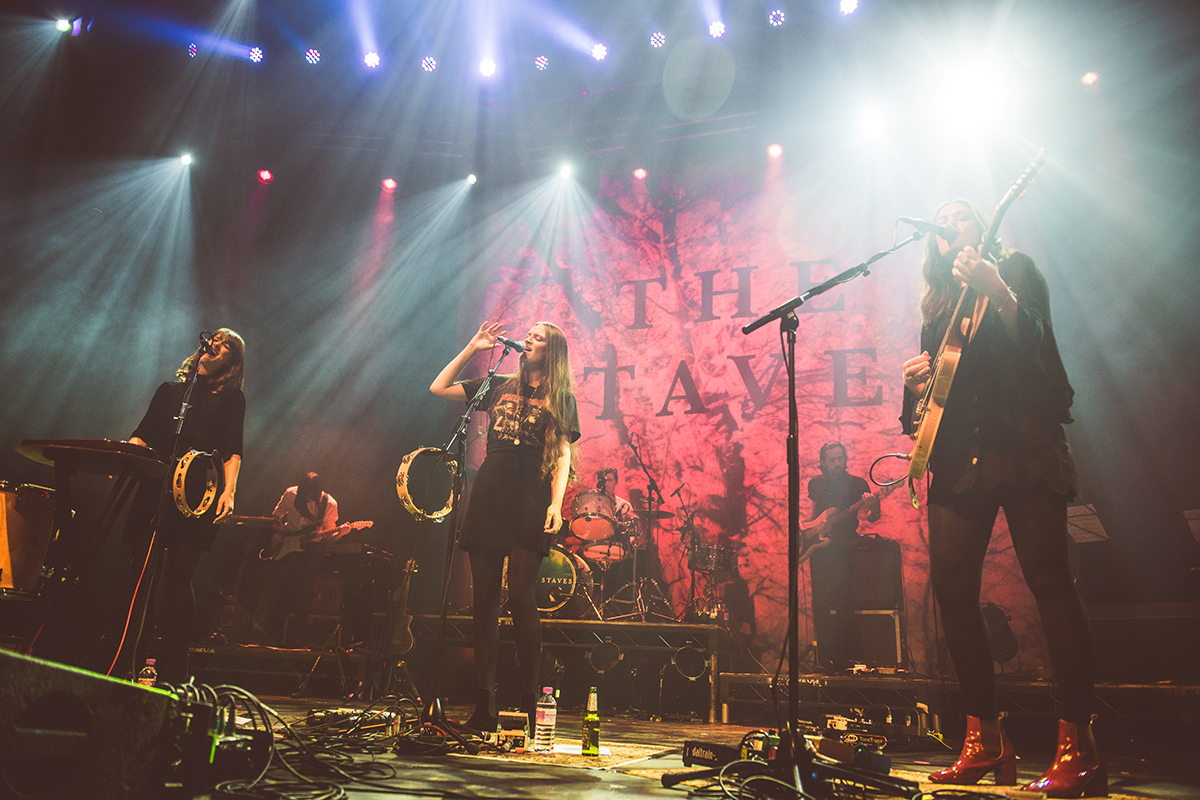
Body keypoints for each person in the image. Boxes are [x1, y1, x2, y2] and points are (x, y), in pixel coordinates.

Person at [901, 200, 1101, 796]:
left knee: (1049, 580)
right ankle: (985, 738)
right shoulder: (937, 308)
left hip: (1023, 443)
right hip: (962, 455)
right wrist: (912, 388)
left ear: (982, 227)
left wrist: (1000, 291)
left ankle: (1078, 741)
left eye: (960, 213)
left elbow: (1039, 351)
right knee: (952, 589)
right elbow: (925, 417)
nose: (948, 223)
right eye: (939, 220)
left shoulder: (1015, 270)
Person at [430, 321, 580, 732]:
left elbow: (563, 453)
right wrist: (471, 347)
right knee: (485, 603)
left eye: (538, 337)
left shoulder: (560, 396)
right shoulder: (498, 384)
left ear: (551, 351)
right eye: (528, 334)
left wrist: (556, 503)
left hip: (531, 497)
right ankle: (485, 703)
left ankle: (530, 700)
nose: (527, 339)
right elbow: (438, 388)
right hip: (490, 494)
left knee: (521, 596)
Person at [127, 328, 246, 685]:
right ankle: (128, 660)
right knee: (141, 575)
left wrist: (229, 492)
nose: (215, 346)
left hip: (198, 489)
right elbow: (142, 434)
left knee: (177, 577)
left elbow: (232, 450)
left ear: (233, 362)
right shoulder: (170, 391)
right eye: (215, 340)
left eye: (226, 346)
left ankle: (177, 668)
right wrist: (125, 457)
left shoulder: (232, 399)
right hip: (154, 482)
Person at [806, 442, 880, 672]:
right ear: (823, 463)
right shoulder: (815, 484)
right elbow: (816, 512)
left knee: (843, 601)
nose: (837, 463)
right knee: (820, 603)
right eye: (832, 460)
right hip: (819, 549)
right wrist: (808, 535)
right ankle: (824, 659)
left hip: (845, 547)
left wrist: (874, 505)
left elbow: (873, 516)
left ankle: (850, 659)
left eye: (840, 458)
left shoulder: (857, 484)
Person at [252, 472, 341, 647]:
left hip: (311, 549)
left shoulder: (329, 504)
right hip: (287, 545)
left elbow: (329, 535)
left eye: (311, 493)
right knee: (273, 586)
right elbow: (276, 516)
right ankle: (256, 634)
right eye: (305, 492)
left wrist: (339, 533)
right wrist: (277, 533)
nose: (308, 496)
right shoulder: (291, 494)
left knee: (304, 592)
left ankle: (298, 643)